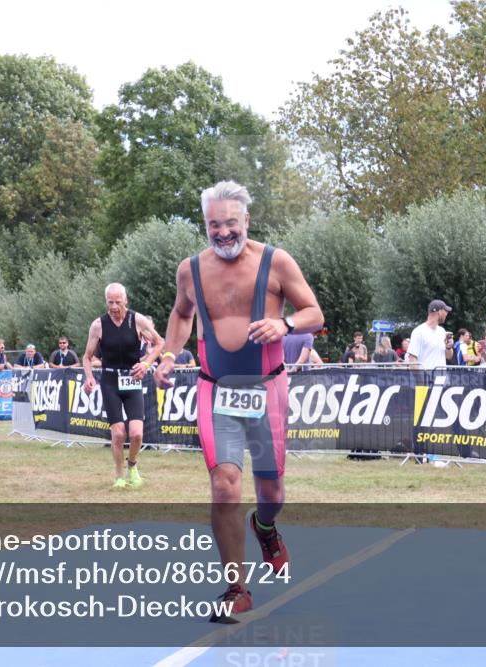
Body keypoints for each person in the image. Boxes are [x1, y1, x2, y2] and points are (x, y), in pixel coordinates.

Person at [153, 180, 324, 622]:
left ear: (246, 219)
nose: (224, 232)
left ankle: (265, 526)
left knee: (272, 490)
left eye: (231, 223)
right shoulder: (190, 269)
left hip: (267, 389)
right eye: (214, 225)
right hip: (216, 389)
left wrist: (285, 326)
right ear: (205, 225)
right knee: (225, 483)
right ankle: (236, 587)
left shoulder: (276, 261)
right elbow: (181, 315)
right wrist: (169, 355)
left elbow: (315, 314)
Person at [82, 283, 164, 490]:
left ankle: (132, 465)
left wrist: (146, 364)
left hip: (132, 380)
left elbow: (160, 343)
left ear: (126, 300)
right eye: (110, 302)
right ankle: (119, 475)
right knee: (118, 433)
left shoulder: (136, 320)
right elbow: (87, 357)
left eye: (118, 302)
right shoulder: (98, 325)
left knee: (137, 433)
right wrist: (89, 377)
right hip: (110, 381)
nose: (114, 306)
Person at [406, 300, 454, 369]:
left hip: (441, 378)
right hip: (426, 378)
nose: (447, 313)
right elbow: (412, 360)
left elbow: (449, 357)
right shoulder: (419, 331)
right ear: (439, 312)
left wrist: (448, 347)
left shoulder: (442, 331)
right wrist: (420, 379)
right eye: (445, 311)